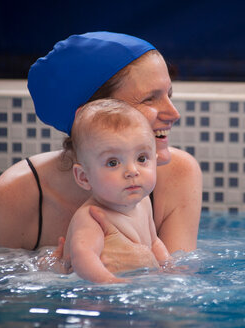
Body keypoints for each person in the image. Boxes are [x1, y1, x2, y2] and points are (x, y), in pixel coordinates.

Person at [0, 32, 202, 272]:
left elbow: (178, 296)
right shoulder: (16, 193)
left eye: (168, 95)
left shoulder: (177, 173)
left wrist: (144, 263)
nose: (174, 114)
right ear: (91, 114)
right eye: (149, 99)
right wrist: (57, 271)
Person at [63, 98, 170, 283]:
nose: (132, 171)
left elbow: (154, 242)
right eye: (113, 162)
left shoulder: (143, 203)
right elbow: (83, 258)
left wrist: (169, 269)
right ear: (84, 177)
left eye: (142, 158)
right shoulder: (91, 217)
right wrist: (112, 283)